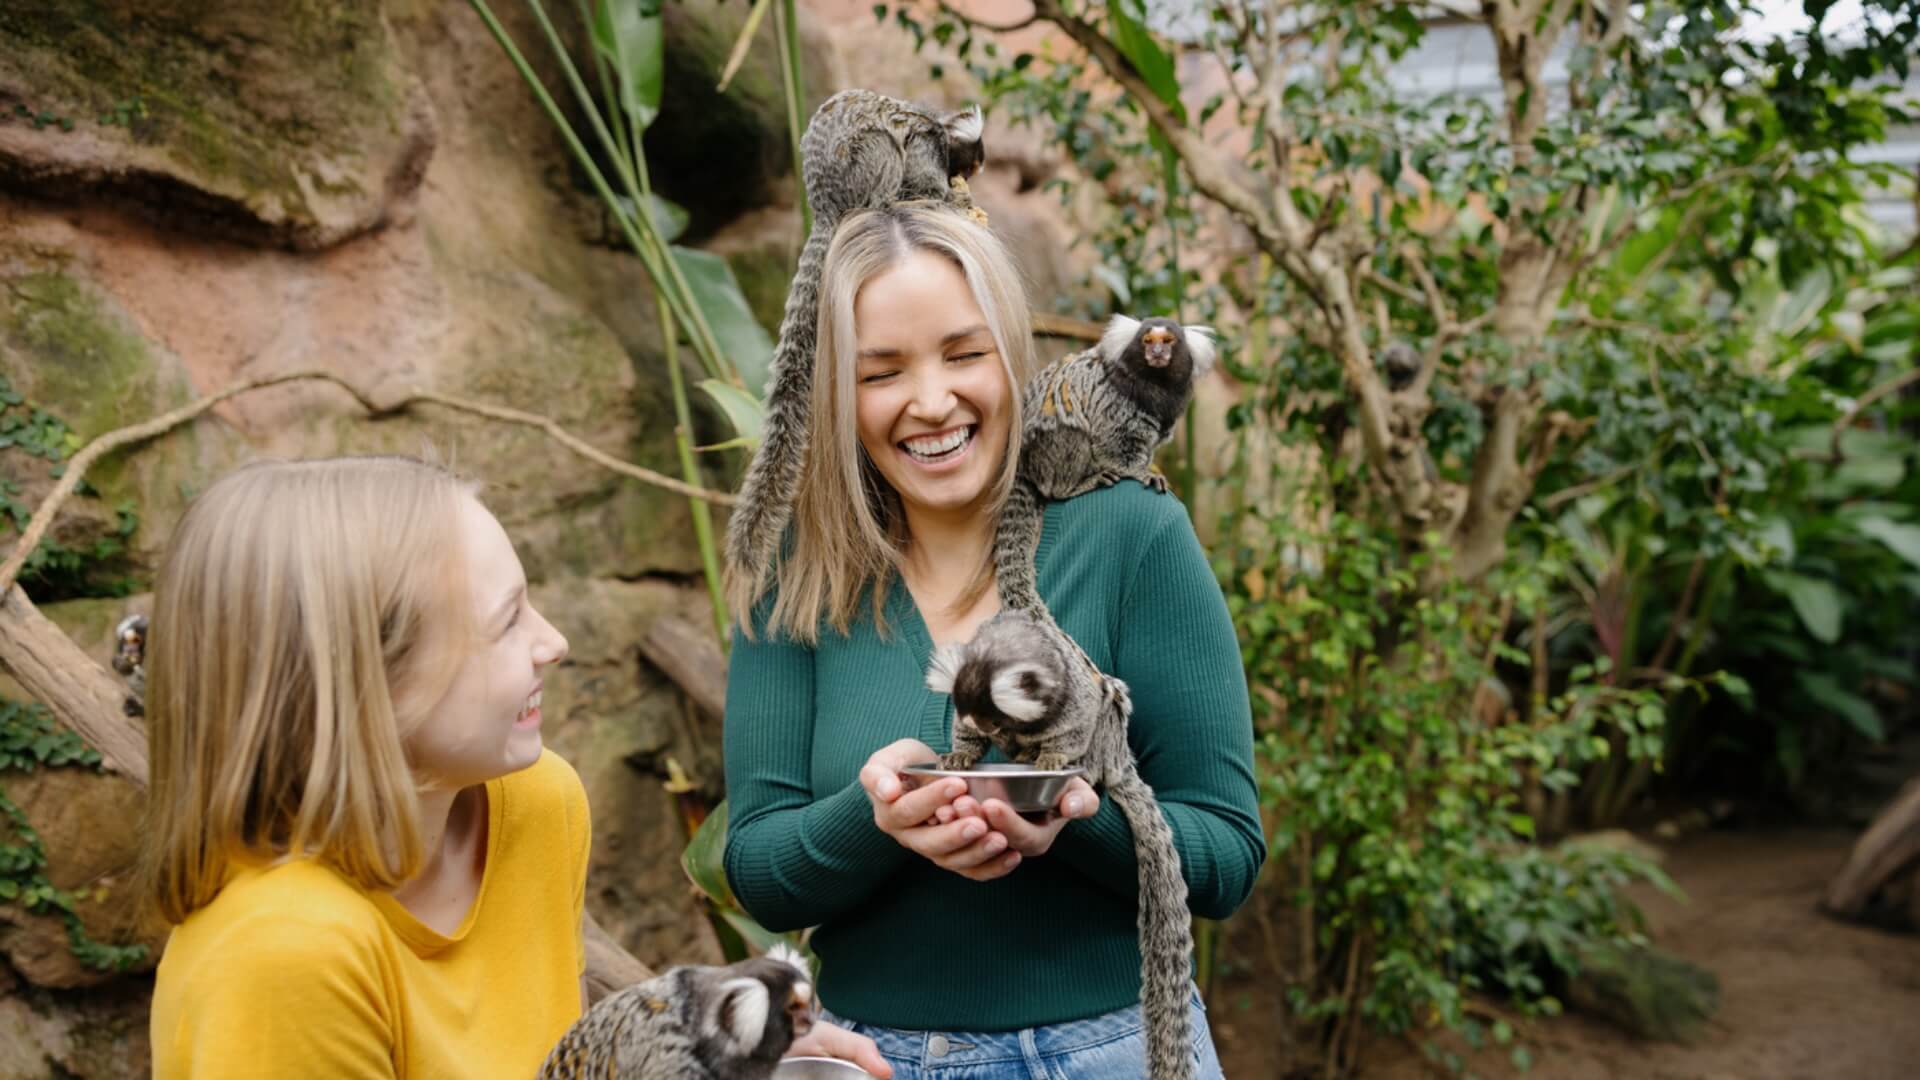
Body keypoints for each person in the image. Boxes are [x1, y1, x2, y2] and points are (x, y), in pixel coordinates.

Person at [723, 203, 1264, 1079]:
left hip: (1120, 1051)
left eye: (965, 355)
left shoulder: (1130, 531)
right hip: (881, 1057)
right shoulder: (800, 567)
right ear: (834, 390)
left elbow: (1227, 856)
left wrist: (1067, 817)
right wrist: (877, 819)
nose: (931, 401)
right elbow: (755, 864)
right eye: (881, 372)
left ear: (1013, 354)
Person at [143, 455, 885, 1078]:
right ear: (373, 685)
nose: (553, 642)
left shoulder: (534, 803)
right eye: (506, 622)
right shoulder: (284, 956)